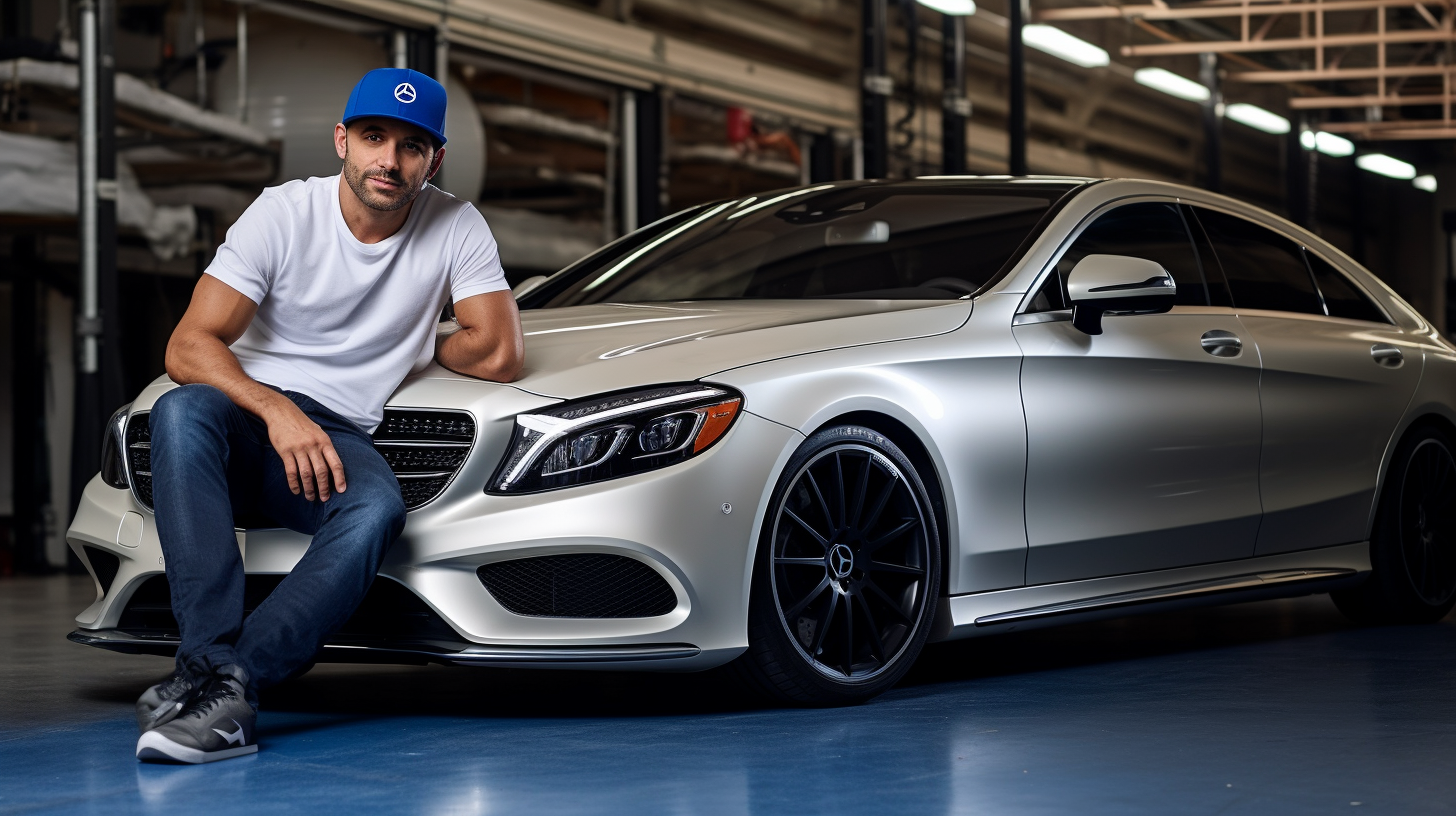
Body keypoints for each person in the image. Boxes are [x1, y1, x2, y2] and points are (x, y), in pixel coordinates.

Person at [132, 68, 524, 764]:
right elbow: (188, 344)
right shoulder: (282, 213)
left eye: (411, 146)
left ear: (435, 160)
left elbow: (496, 353)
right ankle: (211, 668)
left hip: (337, 433)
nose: (389, 160)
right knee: (180, 409)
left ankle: (223, 684)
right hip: (241, 415)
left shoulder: (454, 223)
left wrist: (415, 339)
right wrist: (276, 409)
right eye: (374, 137)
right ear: (342, 139)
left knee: (375, 510)